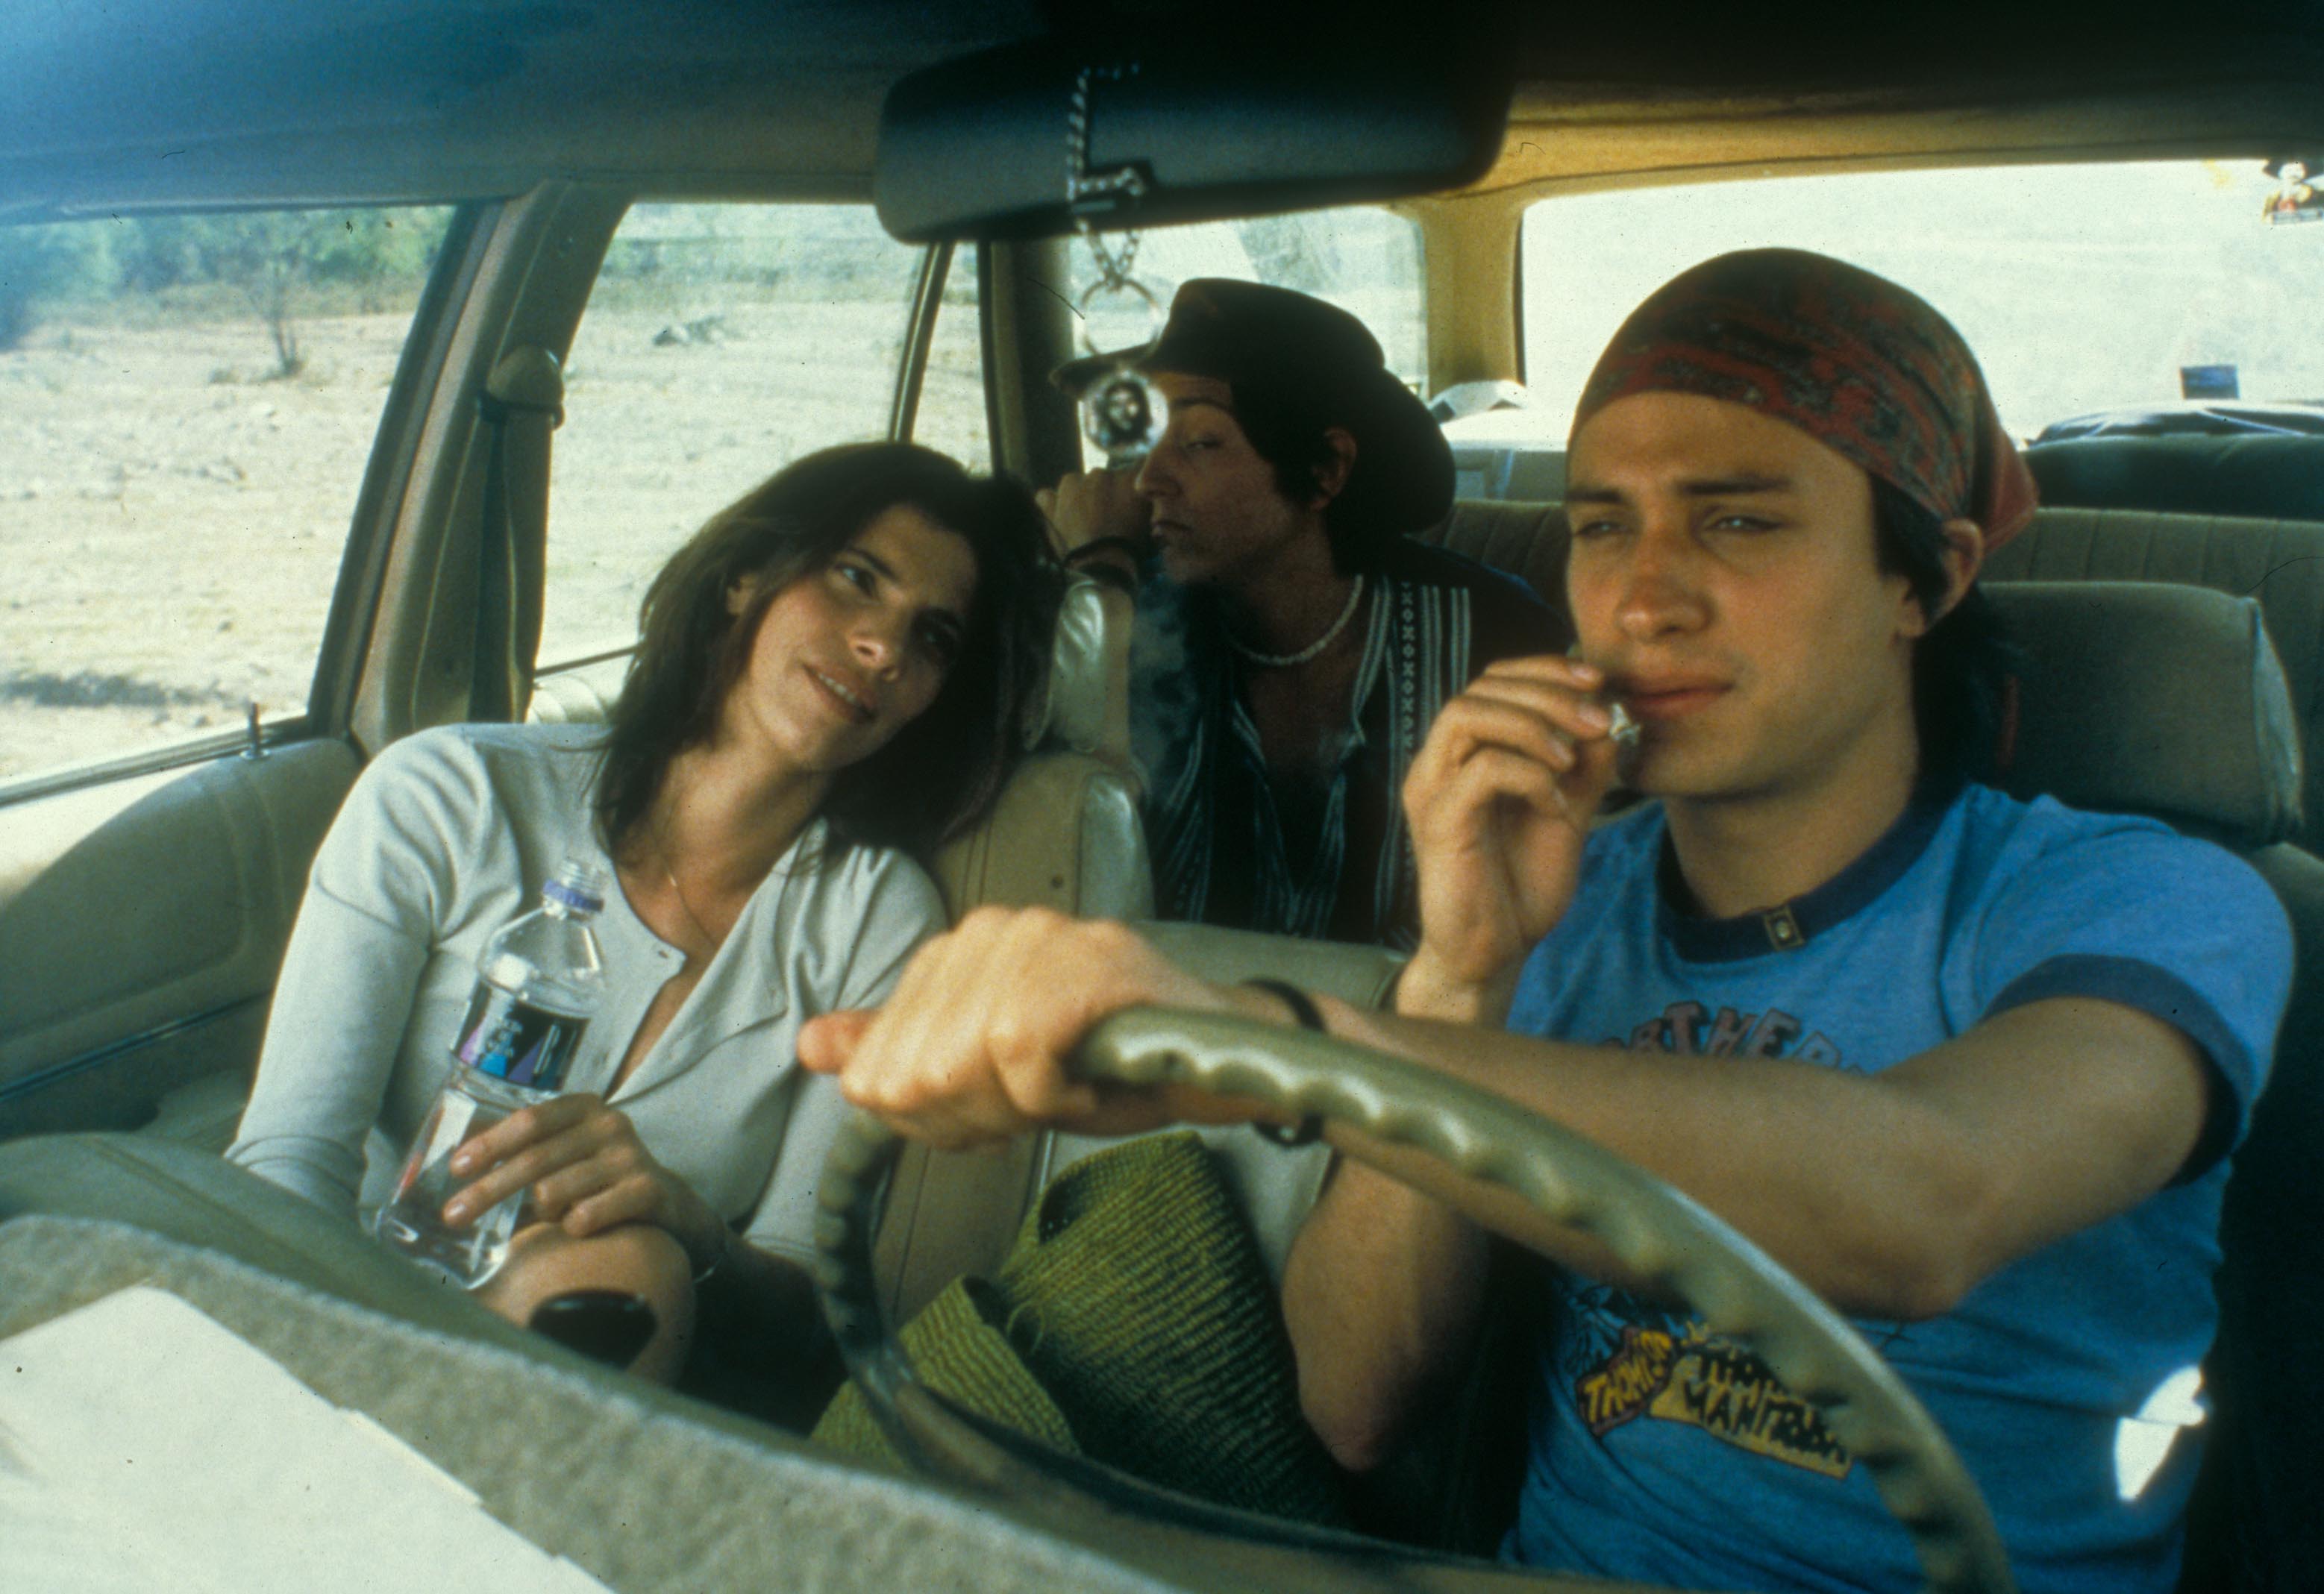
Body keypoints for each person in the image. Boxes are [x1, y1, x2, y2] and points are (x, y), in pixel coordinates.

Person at [796, 251, 2291, 1592]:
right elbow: (1355, 1399)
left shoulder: (2140, 900)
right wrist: (1457, 970)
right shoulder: (1569, 918)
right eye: (1599, 527)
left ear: (1928, 577)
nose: (1643, 599)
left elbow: (1928, 1203)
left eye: (1739, 522)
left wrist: (1261, 1037)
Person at [230, 442, 1056, 1397]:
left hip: (619, 1382)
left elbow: (806, 1311)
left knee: (629, 1270)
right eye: (855, 579)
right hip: (338, 1313)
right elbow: (287, 1160)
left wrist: (688, 1224)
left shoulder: (876, 919)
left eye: (933, 639)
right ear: (747, 575)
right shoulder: (449, 795)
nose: (882, 647)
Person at [1044, 278, 1567, 949]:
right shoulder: (1131, 622)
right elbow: (1058, 822)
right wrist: (1093, 573)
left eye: (1200, 441)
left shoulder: (1493, 641)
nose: (1149, 479)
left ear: (1325, 470)